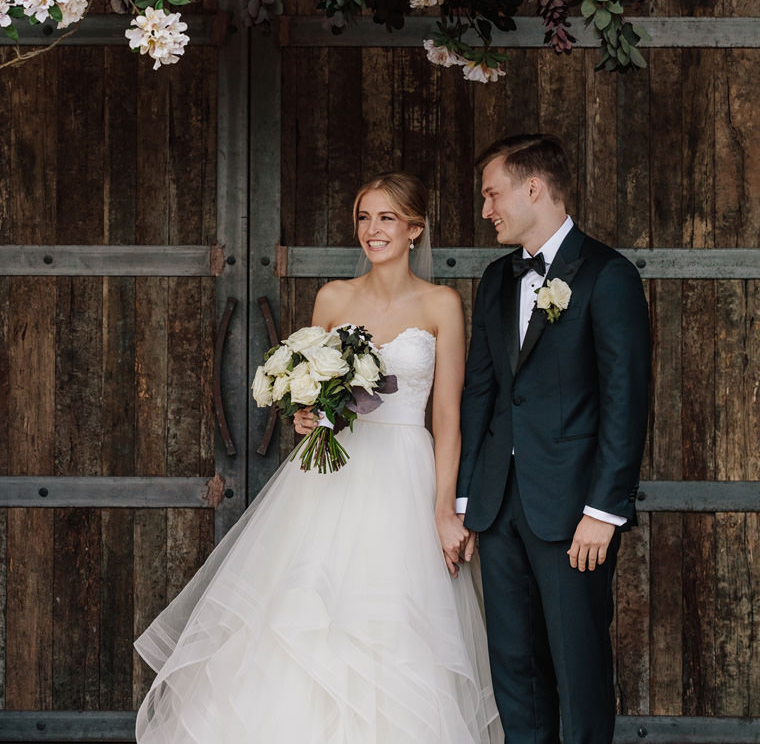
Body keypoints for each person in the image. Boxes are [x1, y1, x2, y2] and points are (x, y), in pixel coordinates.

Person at [134, 171, 501, 744]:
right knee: (304, 616)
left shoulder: (442, 304)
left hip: (404, 474)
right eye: (363, 217)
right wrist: (305, 416)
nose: (371, 230)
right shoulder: (333, 296)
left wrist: (444, 509)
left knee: (397, 625)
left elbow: (449, 416)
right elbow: (307, 394)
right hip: (329, 475)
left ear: (414, 229)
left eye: (385, 218)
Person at [457, 134, 650, 744]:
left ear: (532, 188)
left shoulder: (607, 275)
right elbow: (481, 396)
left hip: (574, 512)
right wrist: (466, 502)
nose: (486, 209)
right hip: (498, 507)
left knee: (578, 667)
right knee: (515, 669)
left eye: (493, 194)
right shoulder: (494, 279)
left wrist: (604, 510)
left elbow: (626, 400)